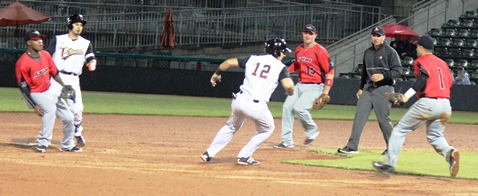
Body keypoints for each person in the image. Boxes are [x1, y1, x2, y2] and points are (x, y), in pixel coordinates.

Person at [373, 36, 460, 177]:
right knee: (435, 135)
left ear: (421, 47)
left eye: (417, 46)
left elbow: (423, 77)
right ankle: (450, 153)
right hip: (446, 104)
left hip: (429, 102)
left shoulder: (421, 61)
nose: (416, 49)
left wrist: (406, 96)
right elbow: (450, 83)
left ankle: (389, 164)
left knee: (399, 129)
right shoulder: (443, 64)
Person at [201, 38, 295, 165]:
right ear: (278, 52)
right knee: (267, 129)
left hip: (239, 100)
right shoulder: (281, 67)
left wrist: (217, 73)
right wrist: (291, 91)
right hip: (256, 106)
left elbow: (228, 62)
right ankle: (244, 156)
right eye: (283, 52)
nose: (284, 55)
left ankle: (209, 153)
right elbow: (288, 85)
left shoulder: (253, 58)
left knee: (231, 126)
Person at [338, 26, 402, 154]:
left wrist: (383, 76)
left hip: (384, 89)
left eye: (378, 36)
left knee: (383, 120)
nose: (376, 38)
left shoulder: (390, 52)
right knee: (359, 117)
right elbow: (364, 73)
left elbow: (398, 71)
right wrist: (361, 88)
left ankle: (392, 148)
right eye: (374, 35)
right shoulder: (368, 52)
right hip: (368, 89)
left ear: (384, 37)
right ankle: (352, 146)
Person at [15, 29, 82, 153]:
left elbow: (54, 73)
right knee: (50, 109)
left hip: (49, 90)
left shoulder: (46, 55)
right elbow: (23, 86)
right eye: (36, 39)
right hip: (35, 93)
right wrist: (34, 105)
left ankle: (67, 145)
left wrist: (64, 84)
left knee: (68, 118)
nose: (40, 41)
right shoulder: (22, 62)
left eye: (41, 39)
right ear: (29, 43)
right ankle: (43, 142)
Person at [273, 24, 335, 149]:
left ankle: (312, 130)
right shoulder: (299, 49)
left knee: (299, 108)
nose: (307, 35)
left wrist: (325, 92)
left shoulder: (320, 51)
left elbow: (330, 72)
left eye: (310, 33)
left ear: (315, 36)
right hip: (300, 85)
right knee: (287, 107)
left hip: (315, 86)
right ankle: (286, 141)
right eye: (305, 33)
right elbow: (297, 66)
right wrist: (283, 71)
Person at [46, 14, 97, 147]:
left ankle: (77, 132)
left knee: (76, 109)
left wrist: (92, 63)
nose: (79, 27)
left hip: (72, 80)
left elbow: (90, 57)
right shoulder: (58, 40)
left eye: (81, 25)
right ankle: (46, 137)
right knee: (50, 108)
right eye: (76, 24)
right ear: (70, 25)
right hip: (57, 78)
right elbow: (47, 56)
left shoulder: (85, 43)